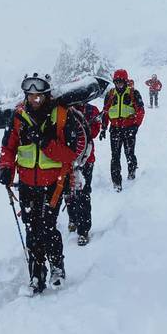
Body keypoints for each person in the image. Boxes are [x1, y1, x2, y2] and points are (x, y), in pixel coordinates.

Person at [0, 73, 86, 294]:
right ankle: (36, 274)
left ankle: (57, 266)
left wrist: (46, 142)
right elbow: (8, 147)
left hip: (54, 185)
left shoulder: (62, 116)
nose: (35, 100)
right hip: (27, 185)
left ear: (47, 95)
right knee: (31, 228)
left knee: (47, 227)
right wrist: (5, 168)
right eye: (31, 96)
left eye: (39, 96)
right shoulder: (18, 117)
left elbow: (69, 154)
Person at [99, 69, 145, 192]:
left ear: (125, 81)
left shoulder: (133, 93)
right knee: (115, 156)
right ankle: (116, 183)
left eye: (121, 81)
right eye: (116, 81)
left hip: (129, 128)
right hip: (114, 129)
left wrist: (135, 126)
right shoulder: (110, 95)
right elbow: (105, 112)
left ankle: (132, 171)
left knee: (129, 153)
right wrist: (103, 128)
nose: (119, 83)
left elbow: (140, 111)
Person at [67, 101, 100, 246]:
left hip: (86, 159)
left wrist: (82, 127)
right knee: (68, 192)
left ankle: (83, 230)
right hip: (66, 159)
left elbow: (94, 131)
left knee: (84, 193)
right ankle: (73, 218)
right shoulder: (64, 109)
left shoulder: (92, 110)